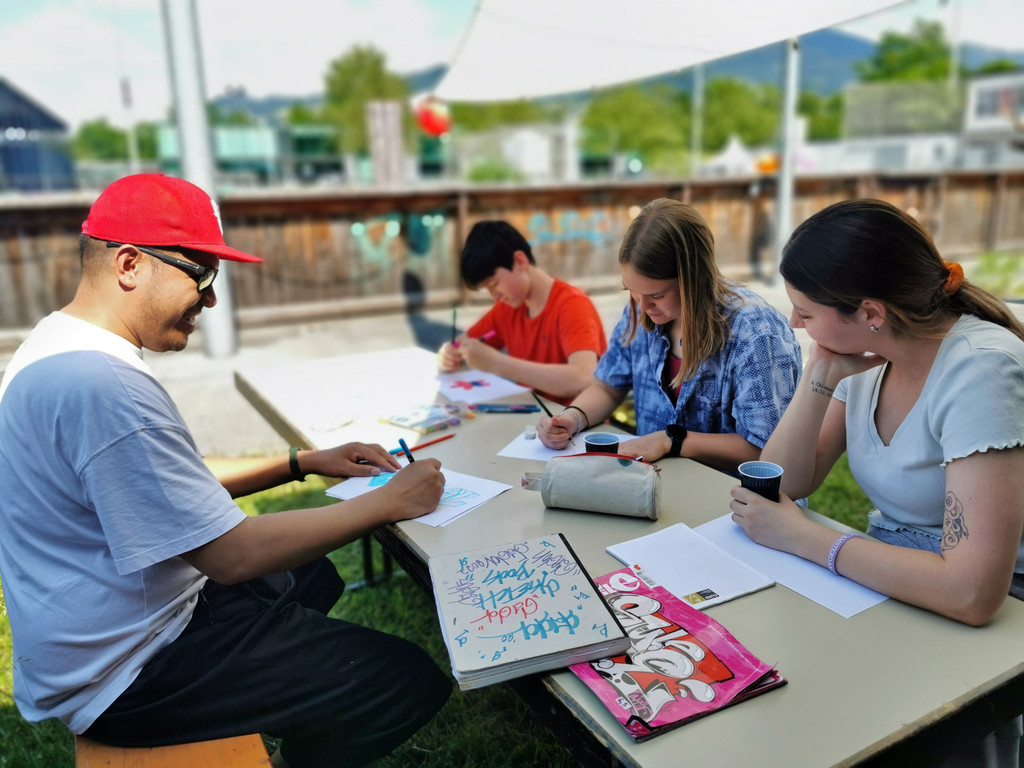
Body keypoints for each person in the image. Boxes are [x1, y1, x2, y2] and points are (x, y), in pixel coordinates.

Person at [0, 174, 451, 768]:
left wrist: (300, 463)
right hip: (130, 671)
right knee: (403, 679)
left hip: (113, 632)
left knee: (310, 572)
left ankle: (290, 692)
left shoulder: (56, 346)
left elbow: (165, 478)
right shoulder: (101, 386)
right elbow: (230, 556)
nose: (210, 300)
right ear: (131, 264)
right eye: (202, 275)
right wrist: (390, 501)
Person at [729, 198, 1024, 767]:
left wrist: (806, 538)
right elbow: (785, 482)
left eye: (805, 310)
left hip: (985, 619)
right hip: (890, 582)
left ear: (870, 311)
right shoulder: (867, 357)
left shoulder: (980, 370)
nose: (794, 323)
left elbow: (972, 593)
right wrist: (818, 372)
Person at [537, 198, 802, 473]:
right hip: (657, 490)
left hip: (737, 502)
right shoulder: (641, 314)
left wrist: (672, 441)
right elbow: (607, 385)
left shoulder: (757, 333)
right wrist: (573, 417)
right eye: (631, 290)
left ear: (695, 280)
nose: (642, 306)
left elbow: (766, 449)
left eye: (656, 295)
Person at [437, 220, 607, 406]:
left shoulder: (572, 305)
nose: (495, 296)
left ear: (520, 261)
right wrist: (449, 353)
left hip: (577, 426)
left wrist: (497, 364)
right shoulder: (508, 308)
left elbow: (583, 379)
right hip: (533, 418)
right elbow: (466, 344)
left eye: (494, 284)